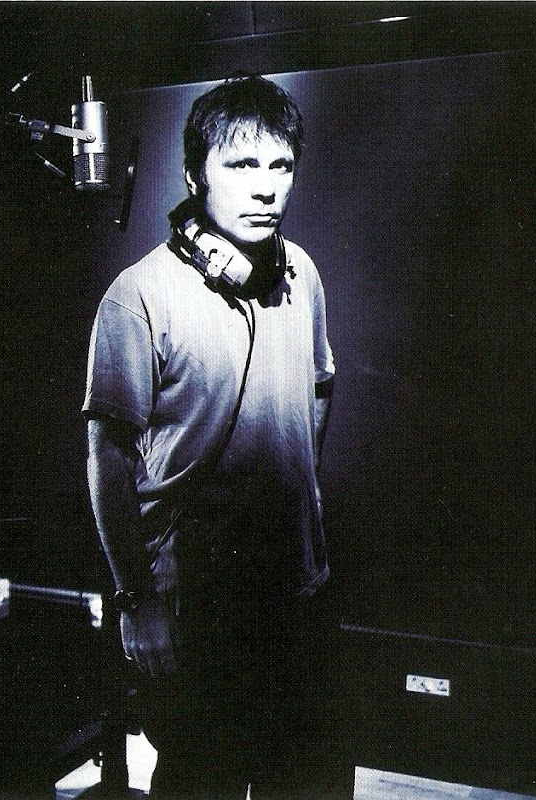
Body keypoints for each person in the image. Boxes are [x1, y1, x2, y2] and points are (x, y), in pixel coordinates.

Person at [84, 75, 350, 799]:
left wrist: (295, 498)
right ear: (194, 175)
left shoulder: (301, 272)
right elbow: (107, 457)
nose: (265, 187)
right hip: (198, 605)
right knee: (206, 779)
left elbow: (319, 387)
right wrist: (137, 601)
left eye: (281, 165)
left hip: (299, 587)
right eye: (241, 164)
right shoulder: (138, 296)